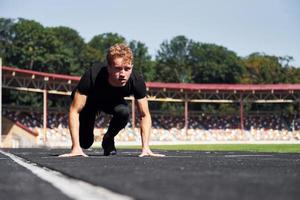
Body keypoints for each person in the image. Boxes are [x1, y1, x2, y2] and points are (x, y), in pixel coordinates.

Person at [59, 43, 164, 157]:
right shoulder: (92, 75)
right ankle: (81, 143)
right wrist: (75, 147)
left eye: (127, 69)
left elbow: (144, 115)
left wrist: (146, 148)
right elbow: (74, 111)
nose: (123, 74)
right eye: (118, 69)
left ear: (131, 67)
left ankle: (108, 139)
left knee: (124, 112)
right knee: (85, 143)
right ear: (108, 68)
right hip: (90, 103)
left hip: (112, 101)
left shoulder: (136, 81)